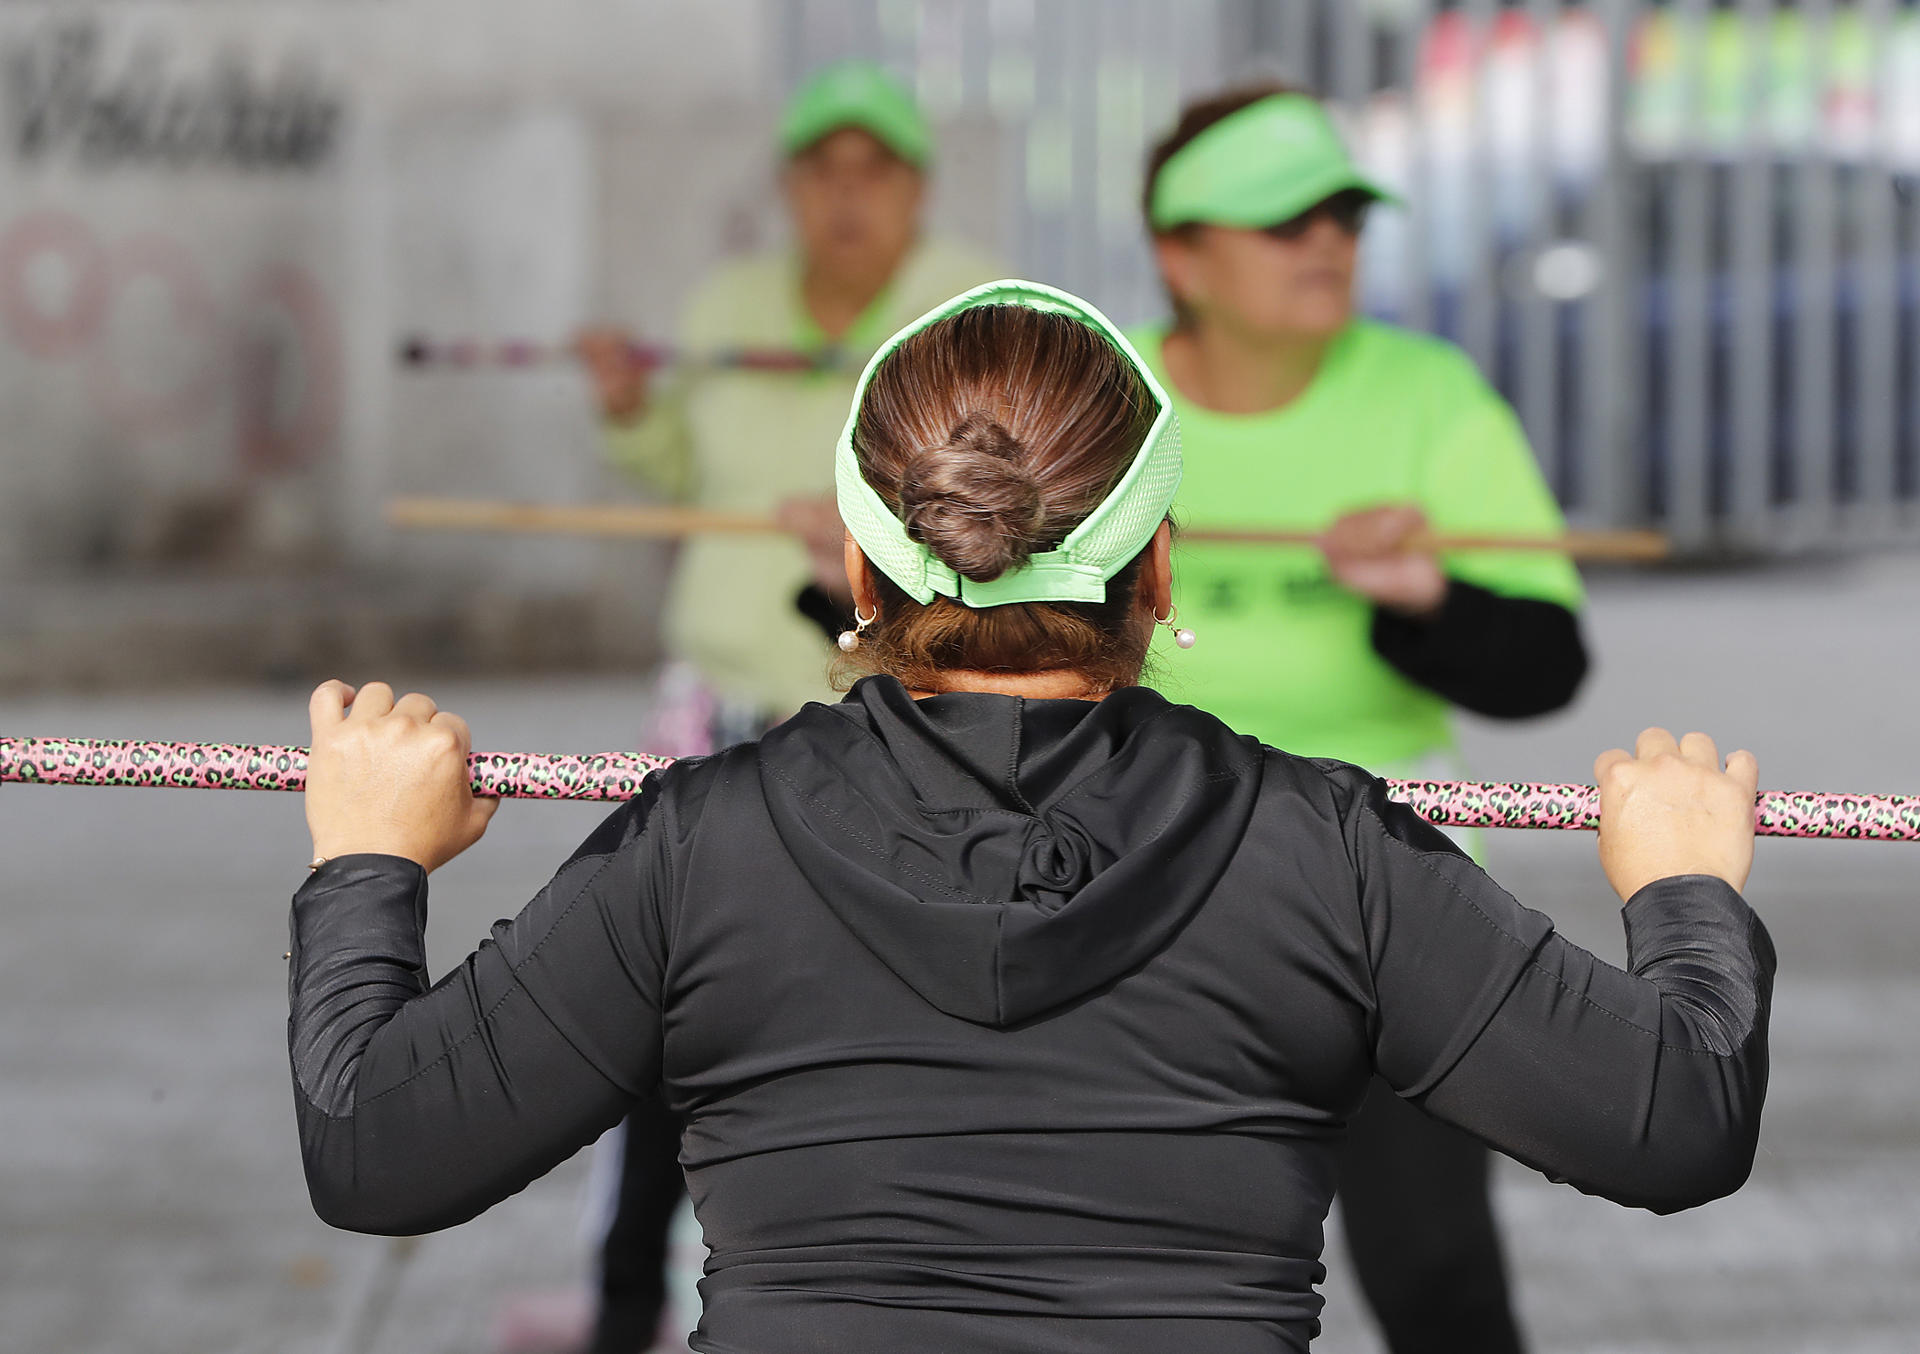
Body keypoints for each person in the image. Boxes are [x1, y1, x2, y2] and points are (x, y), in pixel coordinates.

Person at [288, 281, 1774, 1354]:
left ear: (863, 581)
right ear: (1162, 573)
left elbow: (379, 1154)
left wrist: (368, 858)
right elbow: (1675, 1122)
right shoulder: (1330, 851)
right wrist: (1684, 885)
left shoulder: (697, 846)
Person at [1131, 85, 1589, 1352]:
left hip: (1396, 885)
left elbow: (1545, 664)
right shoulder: (1097, 400)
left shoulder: (1425, 394)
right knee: (1156, 1282)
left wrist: (1427, 599)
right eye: (1283, 219)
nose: (1326, 240)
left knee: (1436, 1270)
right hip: (1137, 882)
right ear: (1182, 254)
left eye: (1342, 212)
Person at [568, 60, 998, 1350]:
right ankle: (625, 1305)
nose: (850, 198)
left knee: (870, 1014)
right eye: (825, 171)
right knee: (656, 1007)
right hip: (709, 703)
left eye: (878, 171)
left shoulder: (969, 310)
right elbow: (677, 469)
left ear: (917, 187)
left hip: (887, 707)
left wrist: (880, 549)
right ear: (792, 187)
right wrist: (634, 412)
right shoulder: (730, 303)